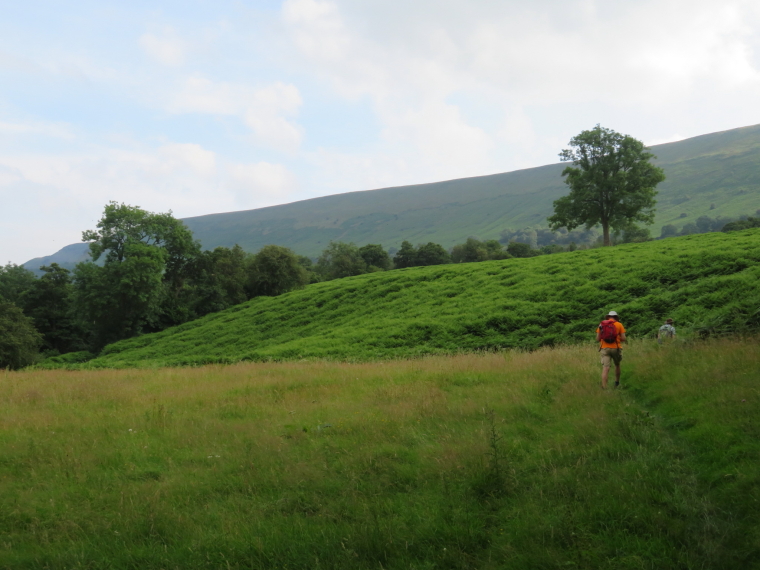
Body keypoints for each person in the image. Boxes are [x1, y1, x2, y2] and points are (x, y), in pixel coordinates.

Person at [596, 310, 626, 389]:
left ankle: (604, 386)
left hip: (604, 348)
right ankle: (616, 383)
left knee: (606, 368)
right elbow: (623, 338)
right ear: (616, 317)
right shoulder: (619, 324)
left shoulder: (601, 325)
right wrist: (617, 338)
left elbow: (597, 338)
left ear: (608, 317)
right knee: (617, 364)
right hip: (616, 348)